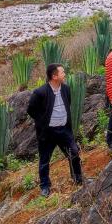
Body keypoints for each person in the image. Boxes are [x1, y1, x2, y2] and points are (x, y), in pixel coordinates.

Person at [27, 63, 83, 197]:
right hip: (48, 133)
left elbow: (67, 104)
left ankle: (78, 178)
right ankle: (45, 186)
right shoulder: (40, 92)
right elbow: (31, 110)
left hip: (64, 130)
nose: (65, 74)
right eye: (62, 72)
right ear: (54, 76)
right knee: (44, 160)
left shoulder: (66, 89)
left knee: (74, 153)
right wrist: (43, 123)